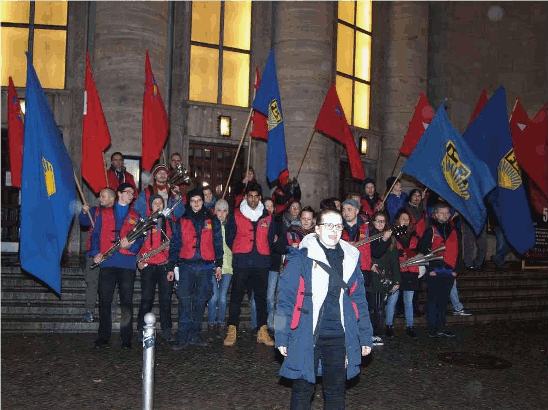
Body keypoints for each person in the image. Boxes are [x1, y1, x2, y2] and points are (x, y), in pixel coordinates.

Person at [275, 208, 373, 410]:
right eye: (328, 225)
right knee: (303, 390)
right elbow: (284, 299)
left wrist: (365, 335)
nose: (334, 230)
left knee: (336, 391)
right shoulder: (300, 257)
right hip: (305, 333)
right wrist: (280, 335)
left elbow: (359, 300)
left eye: (338, 225)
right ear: (317, 229)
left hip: (339, 336)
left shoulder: (351, 258)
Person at [169, 188, 223, 350]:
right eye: (193, 201)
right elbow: (175, 244)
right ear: (189, 202)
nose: (196, 203)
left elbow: (218, 243)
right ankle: (183, 336)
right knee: (185, 302)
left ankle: (195, 334)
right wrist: (171, 266)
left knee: (200, 302)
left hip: (206, 267)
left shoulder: (212, 220)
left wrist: (219, 264)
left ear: (203, 201)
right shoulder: (182, 220)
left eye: (199, 200)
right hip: (186, 266)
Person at [90, 183, 143, 348]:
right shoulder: (104, 213)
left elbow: (140, 239)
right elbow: (95, 234)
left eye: (133, 194)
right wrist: (95, 253)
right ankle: (103, 336)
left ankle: (126, 338)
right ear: (119, 193)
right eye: (129, 193)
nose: (131, 196)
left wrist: (131, 247)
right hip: (108, 262)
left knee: (127, 302)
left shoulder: (136, 215)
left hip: (127, 264)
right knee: (105, 300)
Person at [224, 182, 275, 347]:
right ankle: (232, 329)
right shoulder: (236, 214)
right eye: (250, 196)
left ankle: (262, 330)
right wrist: (241, 250)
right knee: (237, 296)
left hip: (261, 261)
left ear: (259, 198)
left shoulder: (267, 215)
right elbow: (229, 238)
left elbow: (271, 238)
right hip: (242, 261)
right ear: (245, 197)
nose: (253, 200)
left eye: (256, 197)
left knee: (261, 297)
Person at [136, 195, 174, 343]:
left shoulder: (168, 223)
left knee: (166, 300)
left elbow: (174, 245)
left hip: (164, 265)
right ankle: (141, 330)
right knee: (146, 299)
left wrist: (171, 264)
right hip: (148, 266)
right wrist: (138, 260)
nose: (158, 205)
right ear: (150, 206)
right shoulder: (144, 222)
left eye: (160, 203)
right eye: (155, 203)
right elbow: (136, 244)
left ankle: (167, 331)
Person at [419, 203, 460, 338]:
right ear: (435, 214)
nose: (444, 215)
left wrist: (456, 270)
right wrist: (429, 268)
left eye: (447, 213)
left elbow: (459, 251)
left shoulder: (454, 230)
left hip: (449, 271)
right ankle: (432, 329)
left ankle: (441, 327)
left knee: (443, 301)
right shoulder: (430, 230)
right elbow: (423, 251)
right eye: (441, 213)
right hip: (434, 270)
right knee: (433, 300)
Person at [79, 187, 116, 323]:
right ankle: (89, 311)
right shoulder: (94, 211)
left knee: (111, 285)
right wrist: (84, 212)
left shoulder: (117, 213)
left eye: (103, 196)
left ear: (112, 198)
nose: (100, 199)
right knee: (92, 283)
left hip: (111, 255)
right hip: (93, 254)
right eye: (100, 196)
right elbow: (83, 222)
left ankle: (111, 312)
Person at [387, 209, 420, 339]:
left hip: (411, 271)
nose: (405, 221)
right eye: (402, 219)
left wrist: (411, 253)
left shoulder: (415, 235)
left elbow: (419, 250)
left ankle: (410, 326)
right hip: (397, 271)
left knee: (409, 301)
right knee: (392, 300)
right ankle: (389, 326)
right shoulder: (393, 234)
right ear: (397, 220)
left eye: (407, 219)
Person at [369, 211, 400, 344]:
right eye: (378, 221)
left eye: (383, 221)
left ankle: (377, 333)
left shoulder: (391, 238)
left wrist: (397, 279)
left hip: (384, 277)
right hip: (371, 276)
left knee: (380, 307)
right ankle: (369, 333)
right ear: (373, 222)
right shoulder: (371, 236)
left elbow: (395, 261)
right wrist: (370, 264)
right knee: (371, 307)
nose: (380, 224)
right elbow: (371, 254)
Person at [206, 199, 233, 340]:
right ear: (214, 211)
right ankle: (211, 324)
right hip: (212, 265)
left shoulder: (230, 226)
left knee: (222, 297)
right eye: (219, 210)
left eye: (224, 211)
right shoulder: (210, 226)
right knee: (213, 296)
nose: (221, 214)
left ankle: (221, 324)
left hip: (228, 266)